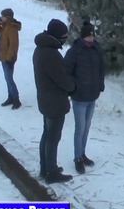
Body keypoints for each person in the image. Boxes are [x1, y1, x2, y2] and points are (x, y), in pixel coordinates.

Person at [33, 19, 76, 183]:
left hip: (46, 100)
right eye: (64, 36)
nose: (66, 39)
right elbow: (63, 80)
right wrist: (73, 85)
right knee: (52, 137)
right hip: (54, 102)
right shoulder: (50, 54)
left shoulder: (40, 49)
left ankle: (46, 168)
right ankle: (51, 173)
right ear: (57, 36)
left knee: (47, 134)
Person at [64, 22, 105, 174]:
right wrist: (73, 88)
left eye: (93, 35)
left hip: (92, 95)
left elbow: (101, 69)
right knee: (80, 128)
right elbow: (66, 71)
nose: (91, 38)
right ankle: (77, 158)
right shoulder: (74, 51)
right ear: (83, 36)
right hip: (79, 97)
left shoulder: (96, 49)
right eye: (88, 35)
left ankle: (83, 154)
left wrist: (100, 84)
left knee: (87, 127)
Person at [0, 8, 22, 109]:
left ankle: (16, 100)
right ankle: (10, 97)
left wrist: (9, 58)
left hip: (8, 58)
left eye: (3, 16)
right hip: (3, 56)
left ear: (8, 17)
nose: (1, 17)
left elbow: (14, 45)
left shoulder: (11, 28)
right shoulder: (5, 25)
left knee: (9, 79)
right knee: (7, 79)